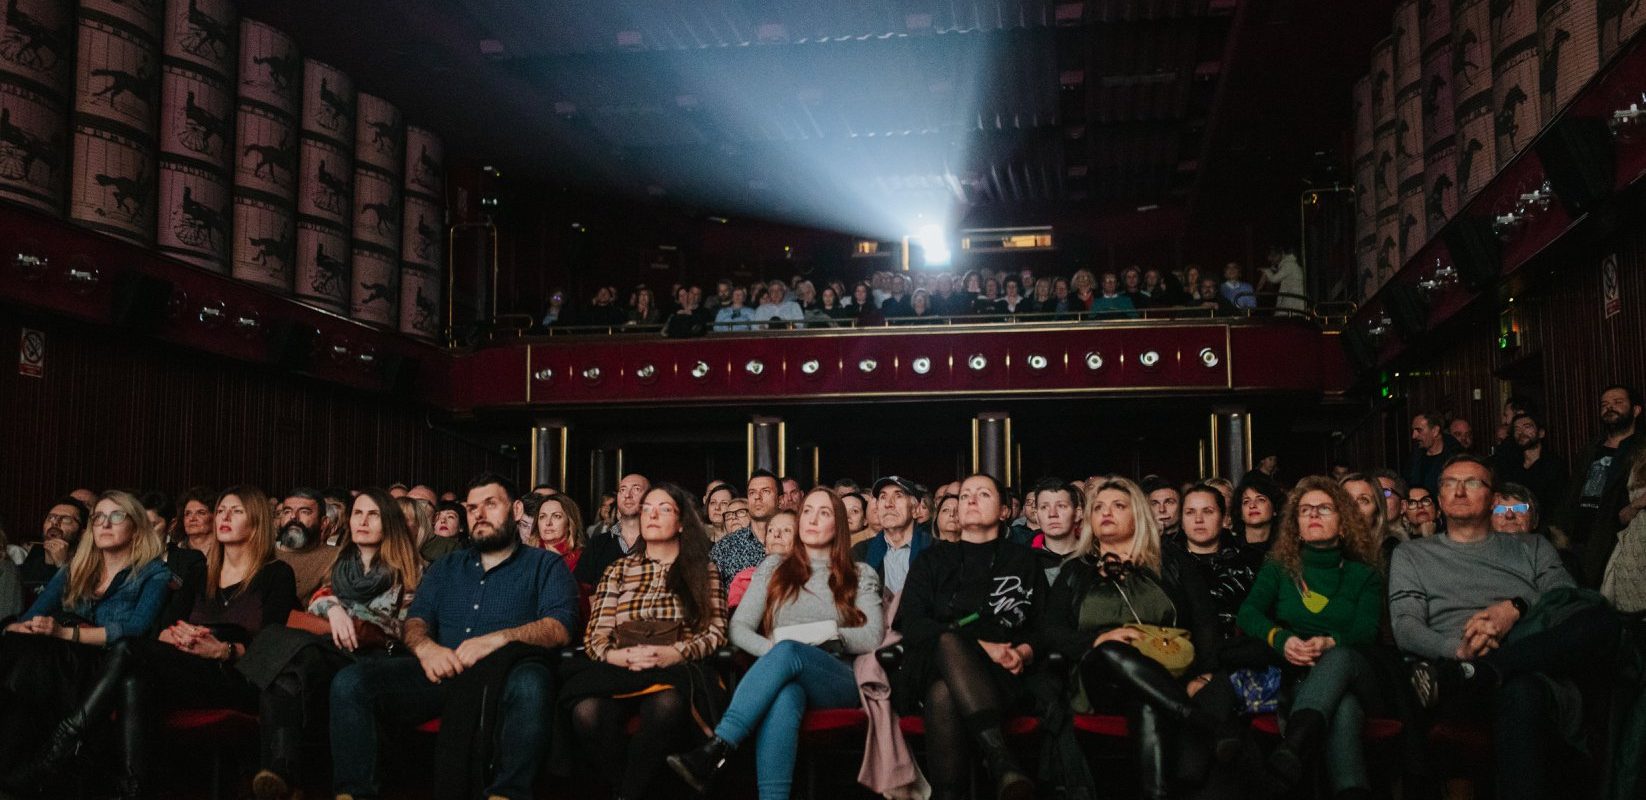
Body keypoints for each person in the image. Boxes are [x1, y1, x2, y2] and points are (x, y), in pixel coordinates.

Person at [328, 473, 579, 800]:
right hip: (444, 668)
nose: (480, 514)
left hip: (505, 674)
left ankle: (507, 793)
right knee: (351, 681)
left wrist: (495, 640)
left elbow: (560, 626)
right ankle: (354, 793)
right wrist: (426, 649)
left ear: (517, 510)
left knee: (533, 682)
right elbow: (416, 620)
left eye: (491, 504)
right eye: (472, 508)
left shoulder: (544, 565)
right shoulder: (446, 566)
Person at [1390, 455, 1619, 800]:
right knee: (1521, 690)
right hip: (1455, 667)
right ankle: (1475, 671)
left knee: (1602, 618)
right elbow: (1405, 625)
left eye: (1472, 483)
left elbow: (1564, 597)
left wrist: (1515, 608)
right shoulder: (1412, 555)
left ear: (1493, 498)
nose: (1460, 491)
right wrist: (1459, 650)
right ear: (1439, 498)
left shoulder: (1532, 546)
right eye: (1450, 483)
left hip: (1531, 653)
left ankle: (1483, 671)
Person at [668, 487, 885, 798]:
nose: (812, 519)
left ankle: (717, 747)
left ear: (837, 525)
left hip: (837, 679)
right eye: (807, 511)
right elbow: (739, 628)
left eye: (824, 513)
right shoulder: (773, 568)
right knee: (786, 694)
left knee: (789, 653)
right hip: (782, 673)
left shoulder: (859, 573)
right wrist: (775, 655)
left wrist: (825, 633)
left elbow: (873, 635)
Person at [1034, 477, 1220, 800]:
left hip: (1169, 671)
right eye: (1098, 508)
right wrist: (1100, 638)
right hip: (1100, 679)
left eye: (1118, 506)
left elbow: (1205, 622)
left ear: (1137, 515)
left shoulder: (1171, 562)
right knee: (1111, 649)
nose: (1106, 513)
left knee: (1147, 703)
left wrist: (1205, 673)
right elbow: (1051, 632)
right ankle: (1194, 717)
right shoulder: (1075, 570)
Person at [247, 488, 423, 800]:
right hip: (334, 651)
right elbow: (319, 598)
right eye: (357, 514)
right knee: (286, 661)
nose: (362, 521)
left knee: (292, 654)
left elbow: (401, 625)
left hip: (375, 657)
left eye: (373, 515)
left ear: (389, 522)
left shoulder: (410, 568)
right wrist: (335, 610)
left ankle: (284, 773)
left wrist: (347, 617)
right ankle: (282, 775)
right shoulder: (341, 563)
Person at [559, 483, 728, 800]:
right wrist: (615, 656)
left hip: (674, 665)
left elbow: (716, 632)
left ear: (681, 522)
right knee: (586, 711)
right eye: (647, 508)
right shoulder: (618, 569)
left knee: (665, 705)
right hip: (620, 664)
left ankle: (627, 795)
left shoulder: (703, 570)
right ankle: (627, 789)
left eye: (664, 509)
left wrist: (674, 653)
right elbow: (596, 635)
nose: (652, 515)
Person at [0, 491, 172, 796]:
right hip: (59, 658)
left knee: (29, 661)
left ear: (136, 527)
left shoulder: (153, 572)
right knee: (19, 645)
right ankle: (20, 770)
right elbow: (32, 615)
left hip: (108, 666)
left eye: (116, 516)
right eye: (98, 517)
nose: (105, 523)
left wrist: (65, 633)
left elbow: (135, 630)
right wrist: (21, 626)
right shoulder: (75, 568)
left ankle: (28, 768)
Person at [893, 474, 1044, 800]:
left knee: (944, 693)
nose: (971, 500)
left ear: (1004, 511)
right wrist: (979, 647)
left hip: (1005, 672)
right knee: (948, 641)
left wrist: (1024, 652)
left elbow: (1042, 627)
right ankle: (1001, 760)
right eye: (964, 496)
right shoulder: (931, 560)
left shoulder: (1024, 560)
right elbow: (914, 625)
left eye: (983, 494)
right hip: (930, 664)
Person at [1236, 476, 1385, 797]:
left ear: (1344, 524)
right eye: (1304, 510)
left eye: (1324, 508)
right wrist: (1281, 639)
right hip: (1298, 675)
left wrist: (1330, 642)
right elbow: (1248, 614)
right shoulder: (1279, 568)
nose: (1313, 514)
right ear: (1296, 526)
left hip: (1358, 673)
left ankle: (1292, 748)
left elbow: (1366, 631)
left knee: (1340, 657)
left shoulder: (1364, 575)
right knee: (1343, 709)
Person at [1562, 385, 1642, 584]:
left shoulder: (1641, 448)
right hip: (1580, 536)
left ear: (1636, 410)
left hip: (1618, 539)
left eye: (1618, 402)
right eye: (1604, 404)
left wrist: (1634, 506)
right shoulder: (1592, 448)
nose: (1609, 407)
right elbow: (1573, 491)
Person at [1177, 484, 1262, 634]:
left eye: (1208, 511)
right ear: (1182, 521)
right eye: (1190, 512)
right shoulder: (1167, 563)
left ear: (1224, 518)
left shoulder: (1250, 561)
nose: (1198, 519)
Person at [849, 475, 934, 597]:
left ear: (915, 510)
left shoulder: (934, 550)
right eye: (883, 497)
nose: (888, 504)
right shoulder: (860, 552)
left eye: (898, 496)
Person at [1492, 413, 1567, 523]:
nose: (1521, 432)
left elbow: (1561, 504)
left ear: (1541, 433)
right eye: (1517, 429)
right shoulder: (1509, 466)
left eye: (1527, 427)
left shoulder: (1554, 465)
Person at [578, 473, 650, 586]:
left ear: (650, 497)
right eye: (622, 490)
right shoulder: (597, 544)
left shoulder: (659, 542)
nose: (627, 495)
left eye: (636, 489)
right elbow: (581, 588)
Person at [711, 471, 778, 587]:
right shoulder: (724, 547)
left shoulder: (795, 542)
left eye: (765, 491)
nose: (757, 497)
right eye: (752, 493)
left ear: (780, 500)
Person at [19, 497, 86, 604]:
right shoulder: (24, 571)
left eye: (66, 520)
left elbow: (78, 606)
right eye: (51, 517)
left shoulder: (86, 573)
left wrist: (62, 565)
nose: (55, 523)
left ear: (82, 534)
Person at [276, 488, 337, 602]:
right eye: (287, 511)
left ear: (323, 523)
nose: (293, 517)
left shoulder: (335, 557)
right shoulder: (263, 553)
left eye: (304, 512)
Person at [726, 510, 796, 608]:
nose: (776, 534)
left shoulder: (810, 578)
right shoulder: (744, 579)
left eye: (787, 530)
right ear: (765, 546)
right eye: (771, 530)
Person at [1029, 479, 1081, 584]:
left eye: (1061, 506)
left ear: (1077, 514)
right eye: (1044, 507)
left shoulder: (1093, 559)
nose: (1052, 514)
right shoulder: (1025, 563)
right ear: (1037, 517)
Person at [1407, 411, 1461, 495]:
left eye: (1419, 430)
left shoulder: (1456, 458)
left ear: (1435, 431)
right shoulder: (1415, 458)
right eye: (1413, 430)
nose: (1414, 436)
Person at [533, 494, 586, 577]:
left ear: (569, 523)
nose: (548, 522)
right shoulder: (527, 554)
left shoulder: (582, 558)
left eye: (557, 516)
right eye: (542, 517)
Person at [1234, 472, 1286, 552]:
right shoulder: (1230, 547)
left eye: (1261, 500)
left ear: (1275, 508)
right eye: (1246, 501)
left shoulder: (1287, 547)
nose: (1252, 505)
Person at [1260, 244, 1305, 315]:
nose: (1272, 260)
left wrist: (1266, 271)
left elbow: (1274, 279)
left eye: (1274, 257)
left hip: (1294, 299)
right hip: (1292, 297)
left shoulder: (1289, 264)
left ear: (1282, 253)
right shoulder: (1288, 264)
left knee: (1281, 316)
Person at [1143, 476, 1182, 548]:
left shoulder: (1192, 538)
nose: (1162, 509)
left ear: (1181, 506)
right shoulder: (1139, 541)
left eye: (1169, 502)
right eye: (1155, 503)